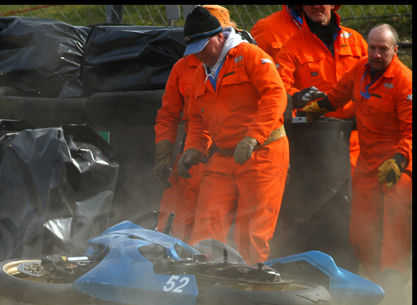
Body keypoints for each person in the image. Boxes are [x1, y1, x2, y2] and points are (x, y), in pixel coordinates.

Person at [303, 23, 412, 300]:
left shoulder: (404, 81)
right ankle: (375, 289)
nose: (376, 54)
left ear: (395, 50)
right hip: (366, 163)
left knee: (394, 226)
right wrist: (317, 108)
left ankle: (394, 288)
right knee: (360, 231)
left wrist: (399, 160)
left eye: (383, 49)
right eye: (372, 48)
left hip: (398, 164)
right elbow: (338, 95)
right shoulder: (360, 71)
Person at [177, 6, 289, 265]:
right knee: (206, 224)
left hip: (263, 154)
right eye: (193, 50)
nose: (199, 55)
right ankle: (206, 283)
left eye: (203, 47)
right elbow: (197, 119)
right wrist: (194, 148)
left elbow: (276, 95)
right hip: (223, 156)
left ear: (219, 37)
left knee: (252, 231)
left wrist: (252, 137)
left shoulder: (250, 56)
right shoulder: (197, 70)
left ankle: (251, 288)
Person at [153, 4, 236, 241]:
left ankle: (214, 274)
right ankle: (166, 273)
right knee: (171, 227)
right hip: (190, 159)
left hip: (231, 157)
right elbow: (168, 115)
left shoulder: (245, 60)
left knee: (213, 233)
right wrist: (163, 154)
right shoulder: (183, 67)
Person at [276, 5, 367, 175]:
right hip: (314, 138)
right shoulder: (292, 47)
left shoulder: (355, 40)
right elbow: (279, 87)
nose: (315, 6)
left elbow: (376, 80)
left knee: (361, 197)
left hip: (356, 136)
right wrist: (296, 97)